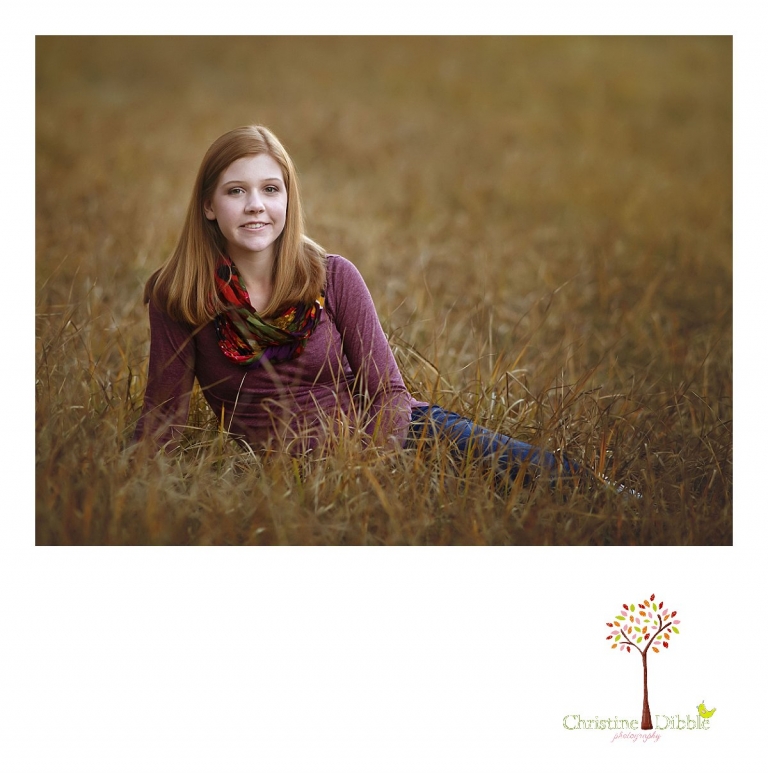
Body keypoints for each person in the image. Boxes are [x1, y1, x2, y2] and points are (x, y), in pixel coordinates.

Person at [132, 125, 578, 486]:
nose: (256, 206)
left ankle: (624, 496)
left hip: (402, 439)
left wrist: (363, 471)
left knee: (542, 475)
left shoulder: (331, 275)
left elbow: (389, 394)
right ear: (208, 205)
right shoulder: (181, 296)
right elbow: (162, 420)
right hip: (286, 478)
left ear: (288, 199)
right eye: (236, 192)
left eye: (271, 189)